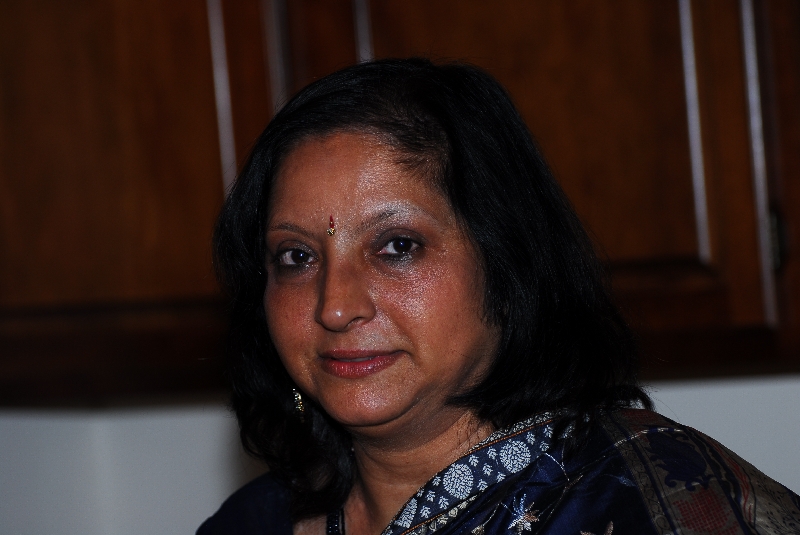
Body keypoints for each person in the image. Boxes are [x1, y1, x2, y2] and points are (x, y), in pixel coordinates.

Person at [198, 58, 800, 535]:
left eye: (397, 246)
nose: (334, 306)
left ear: (508, 264)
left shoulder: (645, 501)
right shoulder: (252, 523)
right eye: (296, 257)